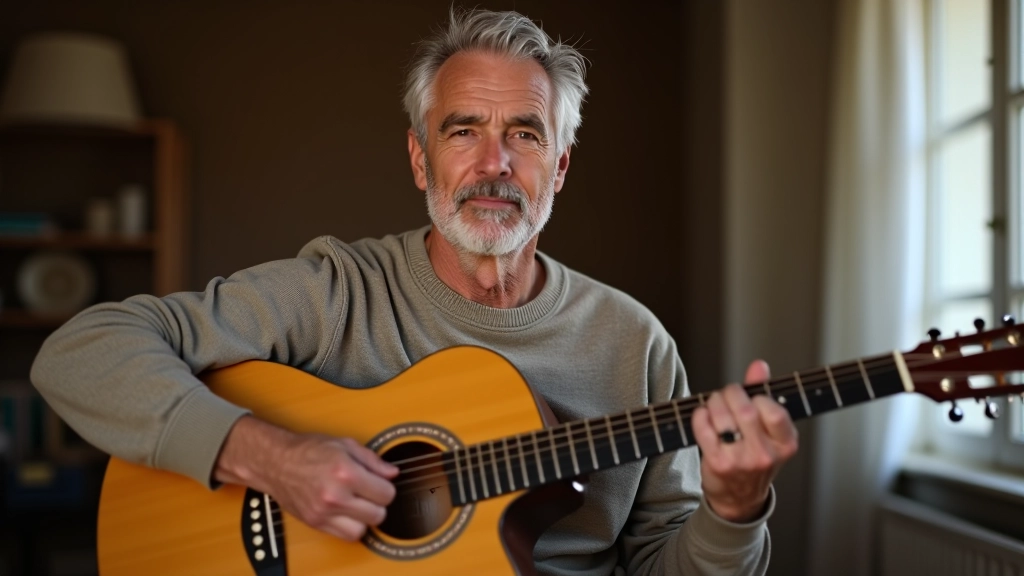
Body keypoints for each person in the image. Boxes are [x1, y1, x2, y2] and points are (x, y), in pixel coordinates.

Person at [31, 8, 797, 576]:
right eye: (463, 130)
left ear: (559, 167)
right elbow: (80, 351)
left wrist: (733, 512)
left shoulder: (634, 344)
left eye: (526, 135)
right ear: (420, 158)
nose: (494, 163)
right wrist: (267, 457)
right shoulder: (336, 292)